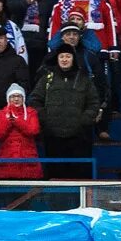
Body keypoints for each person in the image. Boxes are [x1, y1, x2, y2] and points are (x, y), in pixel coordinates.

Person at [29, 43, 101, 179]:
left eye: (68, 56)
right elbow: (34, 100)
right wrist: (45, 118)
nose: (64, 59)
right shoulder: (47, 78)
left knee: (79, 176)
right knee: (55, 175)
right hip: (53, 136)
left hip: (79, 137)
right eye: (61, 56)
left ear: (73, 59)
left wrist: (84, 119)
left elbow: (94, 103)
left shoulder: (84, 79)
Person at [0, 83, 42, 180]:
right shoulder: (1, 114)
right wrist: (9, 121)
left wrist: (17, 121)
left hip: (27, 160)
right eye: (12, 96)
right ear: (8, 99)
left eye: (19, 96)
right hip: (7, 160)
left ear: (23, 98)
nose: (16, 99)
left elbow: (34, 130)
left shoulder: (31, 112)